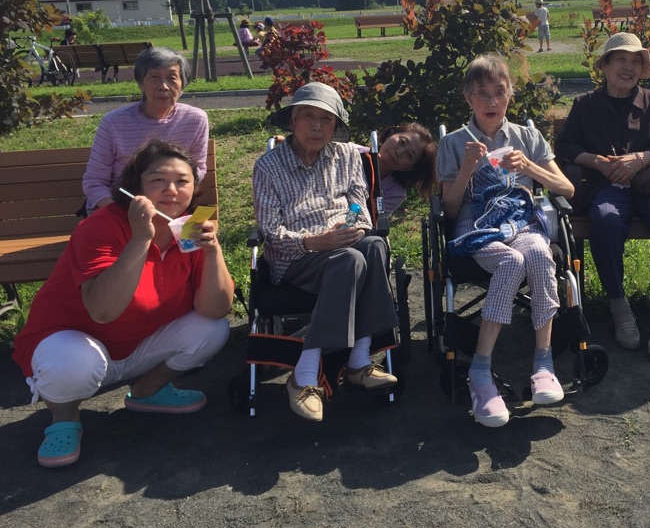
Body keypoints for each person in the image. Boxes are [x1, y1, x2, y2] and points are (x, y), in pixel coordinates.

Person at [12, 141, 233, 468]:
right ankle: (63, 418)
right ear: (136, 188)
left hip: (138, 345)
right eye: (158, 180)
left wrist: (213, 250)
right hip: (76, 343)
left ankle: (148, 391)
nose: (171, 190)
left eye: (182, 181)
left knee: (212, 328)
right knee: (72, 364)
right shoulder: (102, 225)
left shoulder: (187, 228)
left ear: (194, 188)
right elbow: (103, 310)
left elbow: (215, 309)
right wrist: (140, 239)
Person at [437, 55, 574, 427]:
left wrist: (529, 168)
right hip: (475, 227)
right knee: (511, 262)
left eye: (499, 93)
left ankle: (543, 364)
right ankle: (480, 373)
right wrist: (466, 168)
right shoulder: (453, 143)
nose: (492, 102)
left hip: (521, 222)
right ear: (469, 98)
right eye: (483, 94)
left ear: (510, 95)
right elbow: (449, 211)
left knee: (541, 255)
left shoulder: (527, 138)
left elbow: (567, 188)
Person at [253, 83, 399, 422]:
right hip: (295, 257)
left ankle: (359, 361)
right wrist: (315, 241)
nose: (317, 127)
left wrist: (355, 229)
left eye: (327, 120)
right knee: (351, 258)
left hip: (344, 247)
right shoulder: (268, 167)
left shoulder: (348, 156)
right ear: (293, 120)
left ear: (336, 127)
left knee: (374, 244)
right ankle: (304, 375)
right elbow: (271, 233)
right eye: (309, 117)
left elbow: (360, 207)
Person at [554, 33, 650, 358]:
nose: (629, 67)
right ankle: (618, 305)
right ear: (606, 65)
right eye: (621, 60)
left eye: (636, 61)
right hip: (607, 184)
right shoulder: (585, 105)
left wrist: (640, 159)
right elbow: (566, 145)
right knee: (606, 219)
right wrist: (596, 161)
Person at [82, 46, 209, 213]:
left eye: (172, 78)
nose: (163, 86)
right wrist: (120, 212)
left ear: (182, 84)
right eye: (154, 77)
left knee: (201, 236)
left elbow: (197, 170)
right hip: (120, 208)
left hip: (169, 209)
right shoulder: (114, 122)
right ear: (141, 83)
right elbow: (94, 182)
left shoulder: (196, 120)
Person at [357, 122, 437, 215]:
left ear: (409, 168)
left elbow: (371, 222)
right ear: (391, 135)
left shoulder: (395, 193)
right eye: (402, 142)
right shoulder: (349, 151)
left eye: (409, 155)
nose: (399, 152)